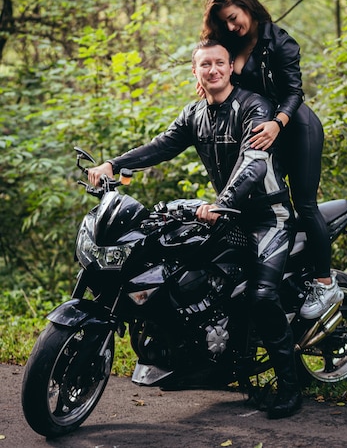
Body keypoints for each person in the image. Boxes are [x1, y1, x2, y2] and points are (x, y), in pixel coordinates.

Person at [88, 40, 302, 419]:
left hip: (267, 215)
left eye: (220, 63)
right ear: (196, 71)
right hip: (227, 213)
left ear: (230, 68)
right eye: (205, 65)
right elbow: (160, 147)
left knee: (263, 295)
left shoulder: (254, 106)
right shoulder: (195, 115)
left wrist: (224, 203)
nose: (213, 70)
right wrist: (113, 165)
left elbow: (253, 164)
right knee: (184, 272)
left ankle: (289, 386)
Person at [200, 0, 343, 320]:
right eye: (225, 22)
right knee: (261, 203)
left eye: (235, 18)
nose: (232, 26)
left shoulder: (278, 42)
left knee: (303, 204)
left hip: (296, 128)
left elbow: (295, 92)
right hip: (263, 131)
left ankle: (325, 283)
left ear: (248, 7)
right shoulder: (228, 44)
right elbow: (213, 64)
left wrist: (278, 122)